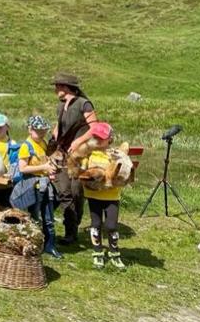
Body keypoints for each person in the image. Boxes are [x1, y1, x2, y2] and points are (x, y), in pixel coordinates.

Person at [51, 73, 99, 245]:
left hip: (80, 155)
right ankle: (70, 231)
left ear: (66, 87)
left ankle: (75, 224)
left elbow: (95, 127)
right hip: (63, 153)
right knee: (65, 192)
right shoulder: (60, 106)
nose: (55, 89)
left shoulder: (83, 104)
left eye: (57, 86)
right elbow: (59, 124)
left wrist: (78, 140)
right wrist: (55, 132)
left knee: (76, 191)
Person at [16, 115, 62, 259]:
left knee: (49, 218)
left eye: (43, 131)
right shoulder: (26, 146)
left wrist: (50, 172)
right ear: (30, 130)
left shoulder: (43, 143)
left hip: (45, 184)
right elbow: (22, 168)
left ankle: (50, 245)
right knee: (34, 218)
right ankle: (35, 245)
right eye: (38, 131)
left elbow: (47, 161)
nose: (41, 133)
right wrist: (44, 167)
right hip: (32, 186)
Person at [81, 123, 125, 269]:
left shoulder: (115, 153)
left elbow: (124, 172)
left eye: (103, 138)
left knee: (111, 226)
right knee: (96, 224)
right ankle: (97, 252)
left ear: (110, 138)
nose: (99, 141)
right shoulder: (89, 154)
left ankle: (114, 253)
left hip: (112, 196)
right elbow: (81, 172)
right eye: (96, 137)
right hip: (94, 195)